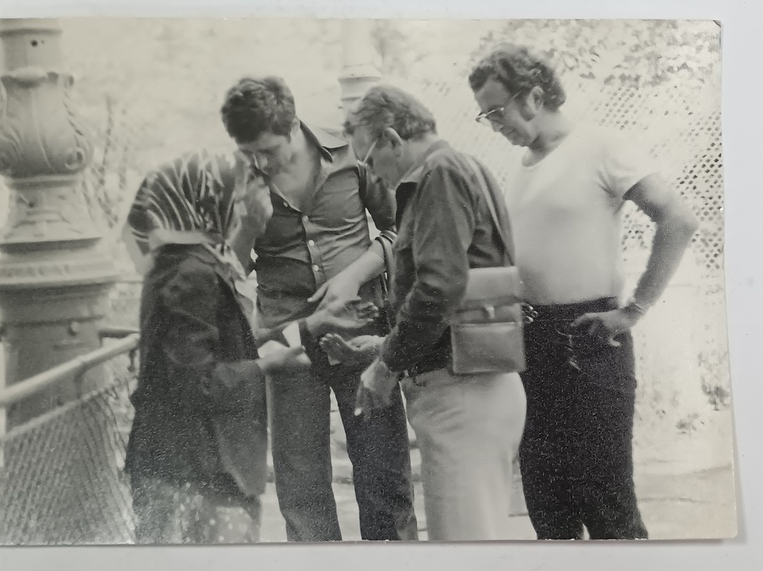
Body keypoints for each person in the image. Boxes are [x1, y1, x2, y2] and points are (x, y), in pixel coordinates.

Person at [468, 43, 699, 540]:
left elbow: (677, 219)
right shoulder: (524, 164)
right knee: (547, 503)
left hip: (587, 339)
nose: (492, 123)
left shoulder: (602, 146)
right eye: (484, 115)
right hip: (530, 342)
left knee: (606, 501)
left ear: (531, 96)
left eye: (496, 110)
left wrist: (633, 310)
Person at [122, 149, 374, 543]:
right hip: (195, 471)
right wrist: (271, 366)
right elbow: (197, 384)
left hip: (199, 465)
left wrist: (307, 326)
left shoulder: (191, 261)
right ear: (207, 204)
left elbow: (221, 347)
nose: (247, 206)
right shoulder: (190, 273)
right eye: (237, 196)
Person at [219, 76, 417, 542]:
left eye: (269, 149)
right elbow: (228, 273)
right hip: (289, 345)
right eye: (250, 151)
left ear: (293, 127)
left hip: (361, 332)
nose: (260, 161)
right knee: (301, 491)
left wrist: (356, 273)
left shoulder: (351, 152)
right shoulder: (237, 177)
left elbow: (400, 232)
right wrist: (248, 224)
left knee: (384, 480)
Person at [335, 84, 527, 541]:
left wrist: (387, 365)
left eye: (369, 161)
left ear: (394, 140)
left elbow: (440, 285)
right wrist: (384, 345)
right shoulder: (459, 170)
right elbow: (454, 293)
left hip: (464, 392)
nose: (373, 177)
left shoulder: (438, 173)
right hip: (469, 387)